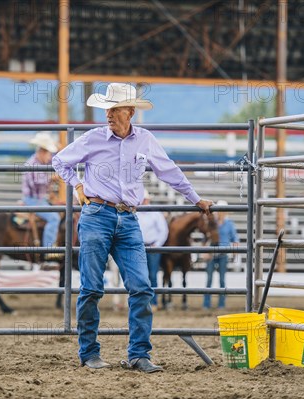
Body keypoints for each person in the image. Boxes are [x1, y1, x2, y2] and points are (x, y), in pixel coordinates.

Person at [52, 82, 214, 373]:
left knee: (141, 287)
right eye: (107, 109)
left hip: (128, 219)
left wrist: (195, 198)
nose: (108, 115)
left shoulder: (146, 140)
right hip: (97, 214)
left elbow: (170, 172)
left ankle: (139, 354)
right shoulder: (92, 139)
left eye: (114, 110)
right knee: (92, 288)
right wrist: (77, 185)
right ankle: (89, 353)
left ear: (130, 112)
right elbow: (60, 161)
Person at [22, 132, 61, 251]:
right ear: (43, 152)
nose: (50, 157)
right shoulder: (32, 164)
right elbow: (37, 182)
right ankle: (48, 249)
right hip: (33, 200)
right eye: (49, 153)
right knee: (54, 217)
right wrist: (52, 178)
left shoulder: (40, 161)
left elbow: (54, 160)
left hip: (39, 198)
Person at [203, 200, 239, 310]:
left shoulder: (229, 224)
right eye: (219, 211)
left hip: (223, 254)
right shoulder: (211, 223)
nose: (221, 213)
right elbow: (205, 237)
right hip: (212, 253)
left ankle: (221, 304)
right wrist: (205, 251)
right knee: (209, 279)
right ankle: (206, 304)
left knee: (222, 280)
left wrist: (235, 252)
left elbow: (235, 239)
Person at [137, 190, 168, 310]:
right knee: (141, 276)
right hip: (140, 247)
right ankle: (144, 303)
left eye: (146, 199)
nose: (144, 201)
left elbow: (163, 231)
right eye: (143, 199)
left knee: (153, 275)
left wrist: (158, 244)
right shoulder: (137, 212)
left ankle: (153, 302)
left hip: (152, 247)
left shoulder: (156, 213)